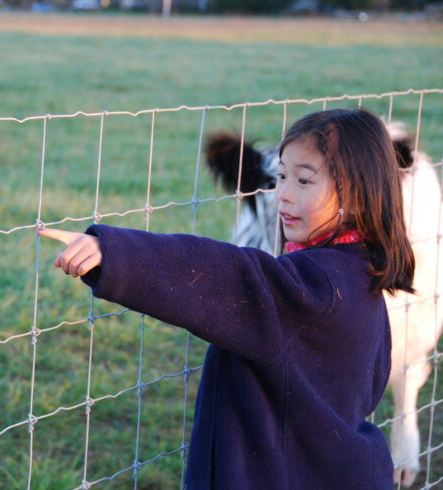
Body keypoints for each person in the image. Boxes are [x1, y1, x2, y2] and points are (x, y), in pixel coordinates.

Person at [39, 108, 414, 489]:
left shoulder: (313, 288)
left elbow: (229, 276)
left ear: (357, 192)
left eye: (304, 180)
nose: (281, 194)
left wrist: (115, 254)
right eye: (280, 176)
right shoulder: (362, 274)